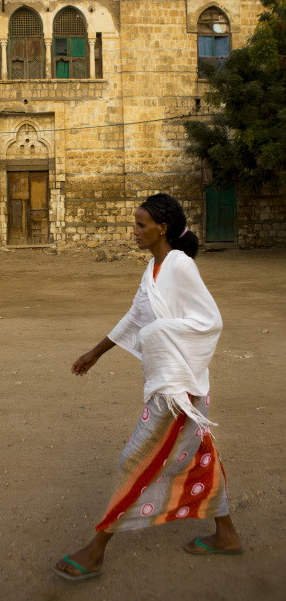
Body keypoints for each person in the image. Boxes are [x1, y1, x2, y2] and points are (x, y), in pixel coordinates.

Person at [53, 193, 242, 582]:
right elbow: (135, 316)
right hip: (177, 385)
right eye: (135, 224)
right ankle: (227, 534)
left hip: (178, 390)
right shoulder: (153, 269)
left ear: (163, 228)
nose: (135, 232)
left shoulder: (180, 266)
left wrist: (159, 333)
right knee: (195, 454)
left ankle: (95, 551)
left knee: (135, 459)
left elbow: (210, 321)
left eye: (141, 225)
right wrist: (96, 352)